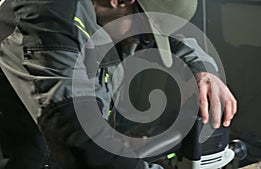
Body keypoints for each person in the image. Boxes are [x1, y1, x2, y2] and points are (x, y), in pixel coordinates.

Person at [0, 0, 237, 169]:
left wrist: (203, 71)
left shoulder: (118, 17)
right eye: (146, 35)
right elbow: (75, 130)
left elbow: (176, 38)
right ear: (119, 1)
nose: (146, 44)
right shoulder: (48, 17)